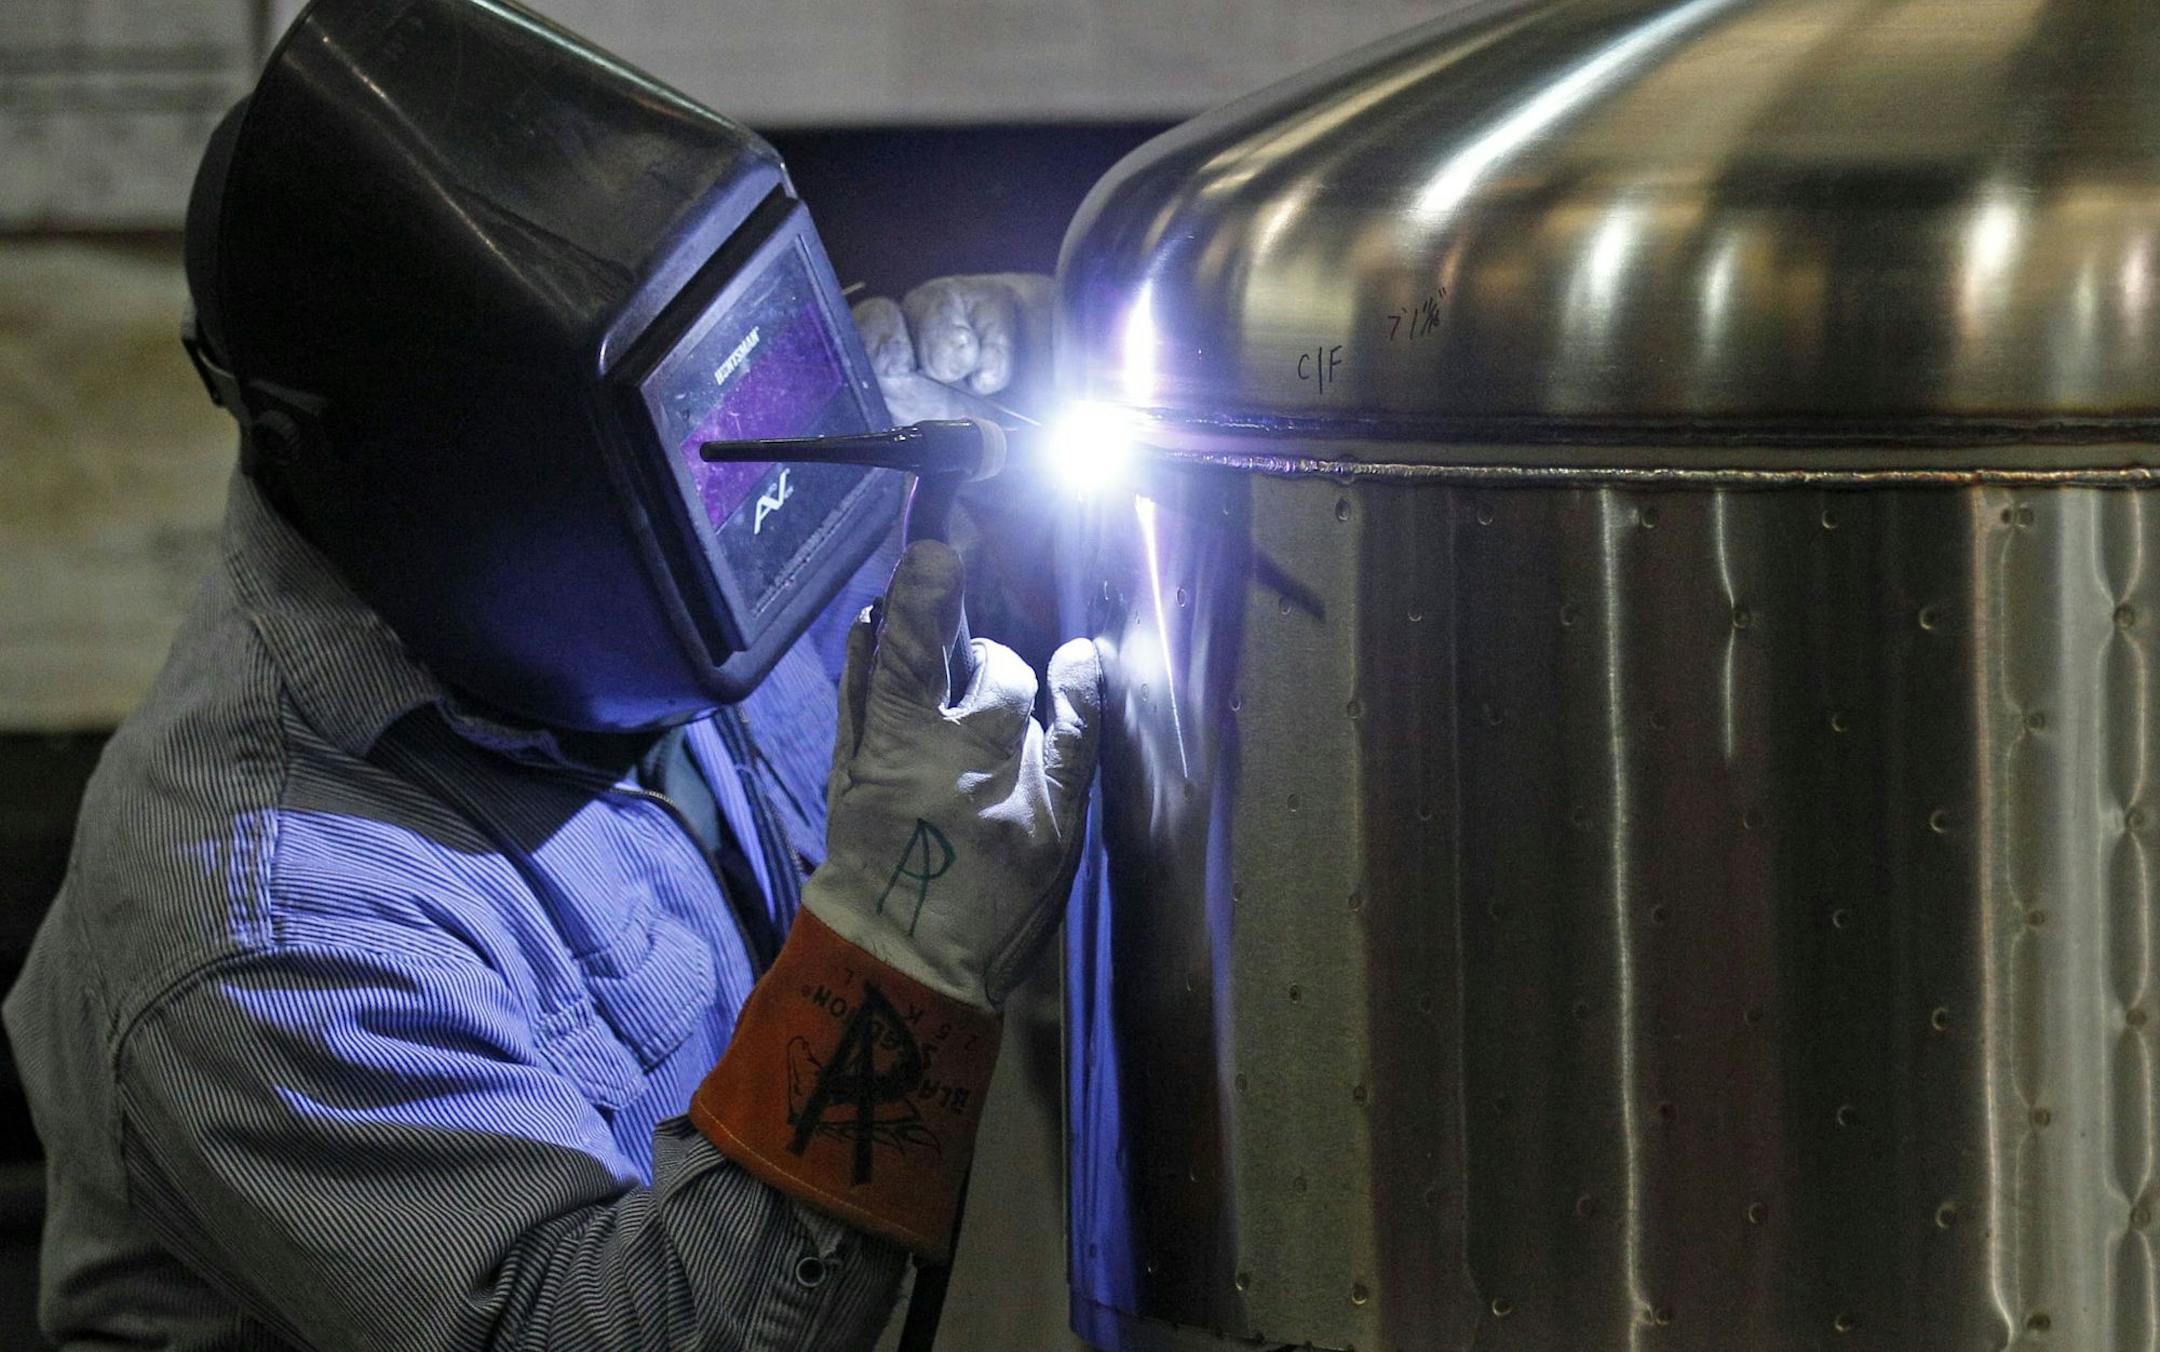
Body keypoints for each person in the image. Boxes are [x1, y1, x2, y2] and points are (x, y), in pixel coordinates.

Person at [0, 5, 1097, 1347]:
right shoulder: (271, 928)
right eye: (660, 454)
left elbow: (956, 670)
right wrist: (899, 950)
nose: (739, 472)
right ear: (431, 489)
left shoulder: (643, 522)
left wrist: (1068, 456)